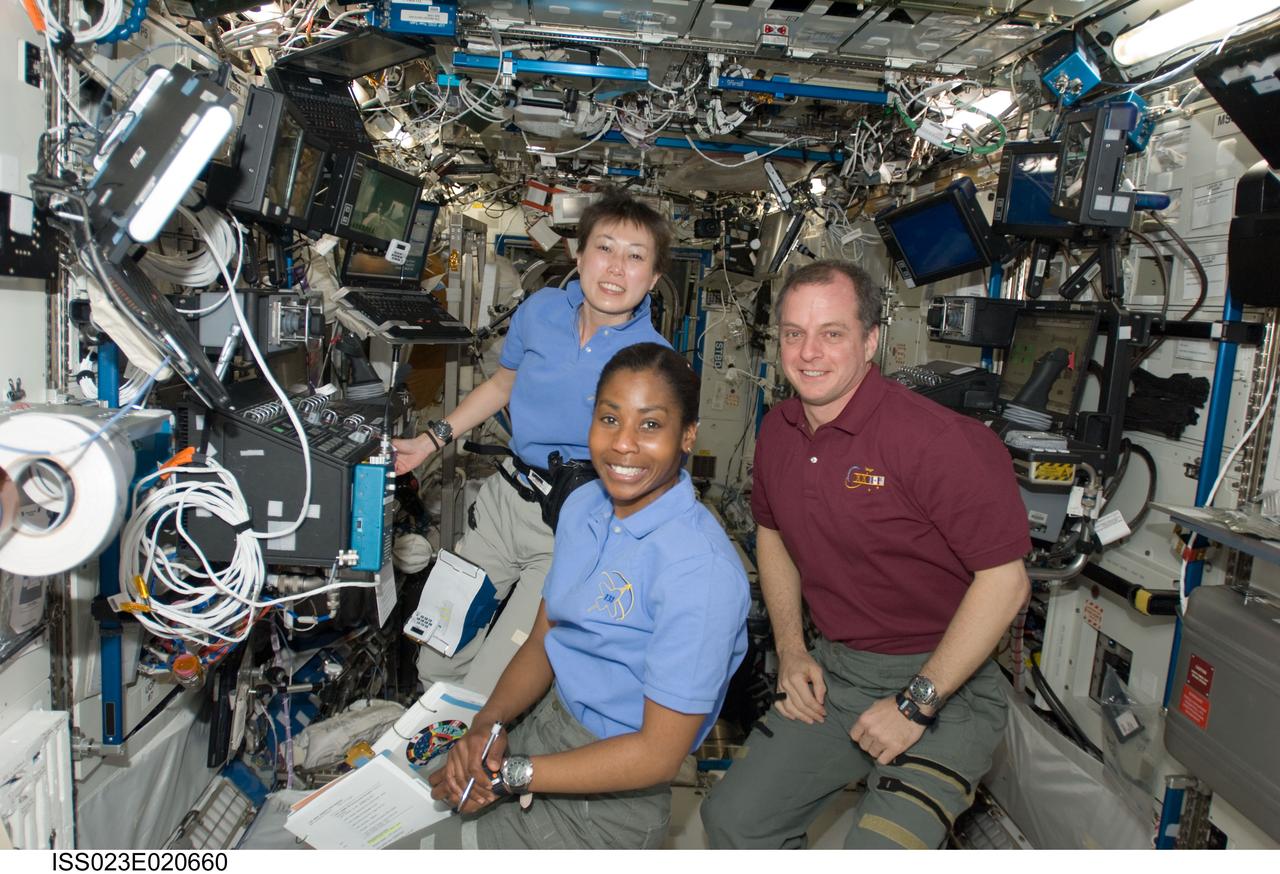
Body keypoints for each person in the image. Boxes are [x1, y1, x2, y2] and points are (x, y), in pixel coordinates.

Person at [700, 260, 1031, 850]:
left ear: (871, 340)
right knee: (732, 821)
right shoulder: (778, 430)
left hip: (946, 682)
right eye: (794, 334)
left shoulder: (937, 442)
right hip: (839, 672)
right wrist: (793, 648)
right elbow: (771, 532)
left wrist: (915, 703)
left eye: (832, 333)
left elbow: (1006, 583)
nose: (809, 353)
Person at [427, 343, 750, 849]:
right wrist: (485, 728)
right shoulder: (583, 508)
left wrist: (508, 775)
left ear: (687, 435)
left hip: (612, 796)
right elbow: (546, 635)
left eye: (650, 425)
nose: (623, 445)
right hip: (545, 728)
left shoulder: (699, 572)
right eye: (609, 418)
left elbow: (656, 755)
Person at [392, 192, 672, 694]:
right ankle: (429, 759)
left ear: (652, 278)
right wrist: (429, 441)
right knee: (435, 653)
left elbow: (658, 473)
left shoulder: (654, 363)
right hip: (503, 507)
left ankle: (469, 768)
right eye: (604, 248)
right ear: (578, 254)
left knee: (496, 682)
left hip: (573, 529)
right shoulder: (540, 310)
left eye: (635, 256)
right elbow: (503, 385)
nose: (615, 268)